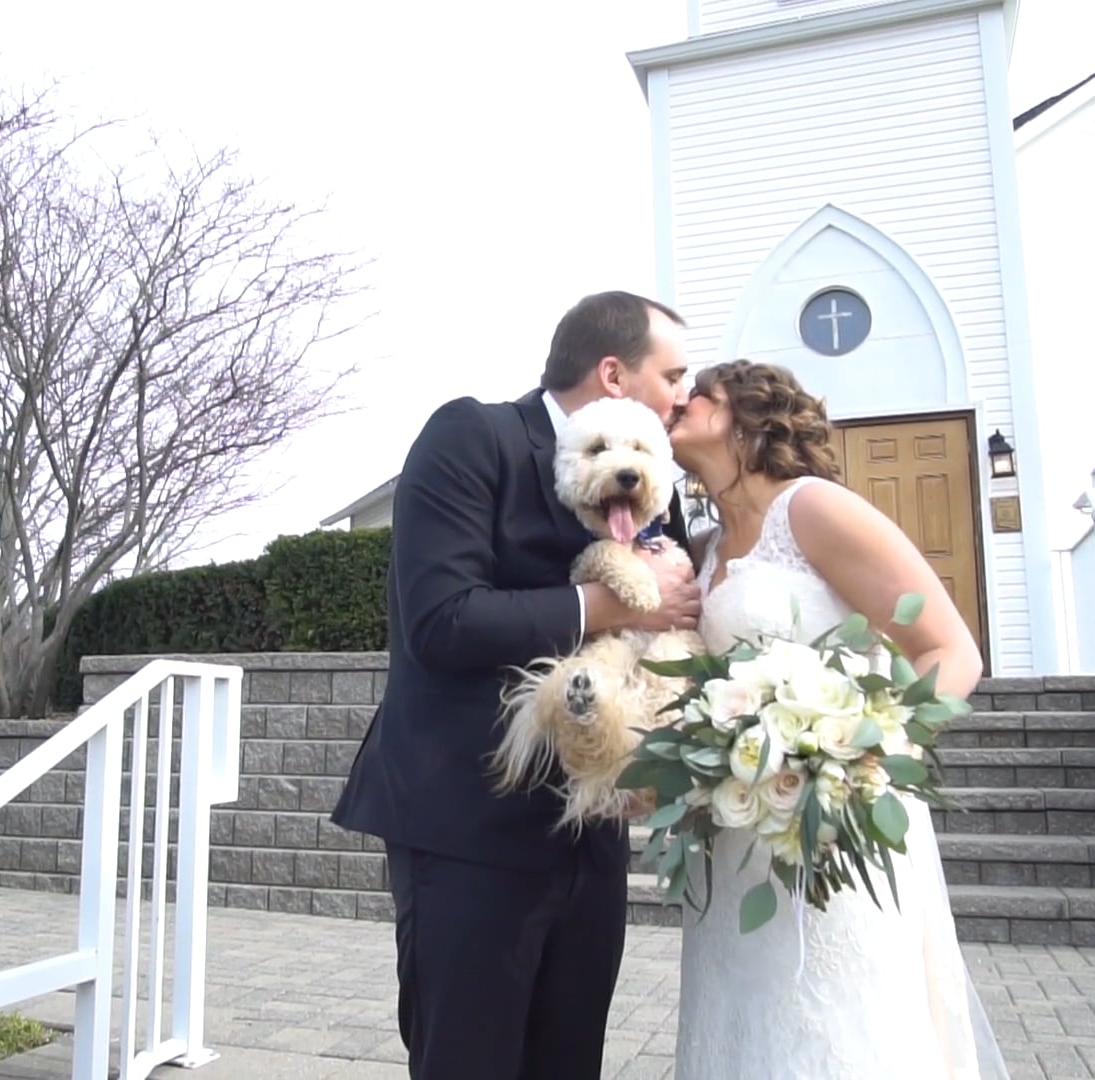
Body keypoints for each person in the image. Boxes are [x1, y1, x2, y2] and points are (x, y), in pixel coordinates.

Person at [328, 291, 704, 1080]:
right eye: (672, 375)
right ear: (612, 375)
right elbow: (443, 621)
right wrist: (610, 602)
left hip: (589, 828)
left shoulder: (647, 486)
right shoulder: (474, 435)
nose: (681, 396)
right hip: (466, 826)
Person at [664, 358, 1011, 1079]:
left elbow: (950, 650)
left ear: (749, 415)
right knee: (745, 1016)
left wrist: (858, 757)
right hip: (739, 835)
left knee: (834, 1019)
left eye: (699, 393)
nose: (679, 401)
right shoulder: (701, 550)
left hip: (832, 824)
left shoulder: (813, 509)